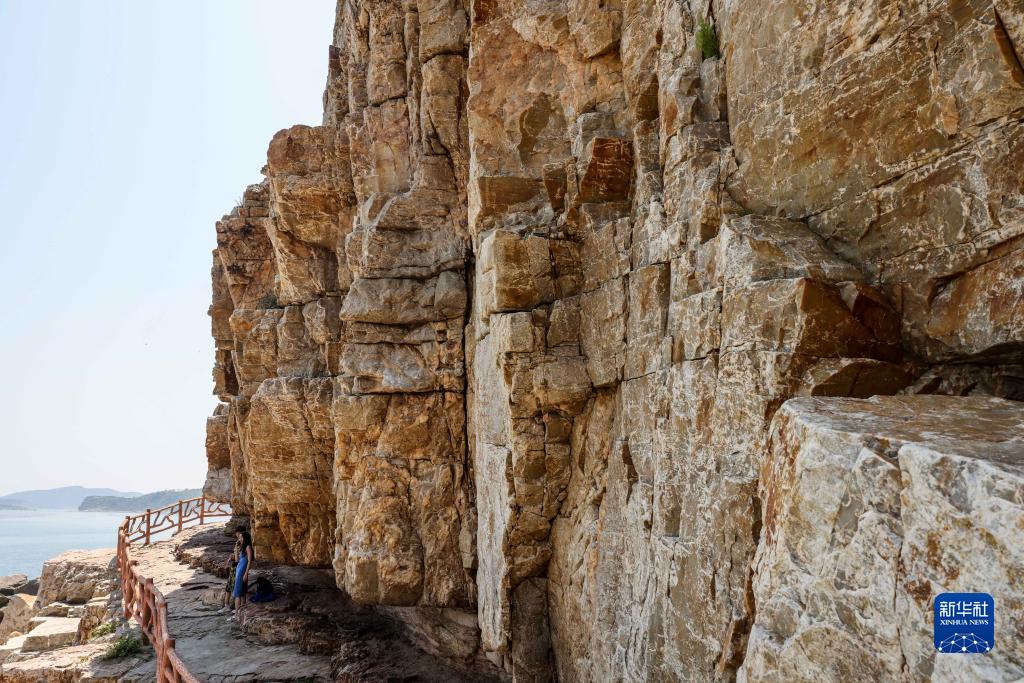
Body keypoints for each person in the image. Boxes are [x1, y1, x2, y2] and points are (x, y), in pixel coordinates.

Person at [227, 528, 254, 621]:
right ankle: (240, 614)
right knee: (241, 591)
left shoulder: (248, 547)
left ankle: (236, 615)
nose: (239, 538)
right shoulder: (243, 547)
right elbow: (237, 560)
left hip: (242, 571)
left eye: (241, 537)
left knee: (238, 592)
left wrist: (246, 573)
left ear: (245, 538)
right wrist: (236, 548)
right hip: (239, 569)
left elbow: (250, 561)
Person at [218, 534, 243, 614]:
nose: (238, 536)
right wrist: (232, 556)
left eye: (239, 535)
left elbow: (238, 559)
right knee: (228, 588)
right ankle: (227, 606)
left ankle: (236, 608)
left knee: (235, 589)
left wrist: (235, 554)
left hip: (237, 569)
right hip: (233, 569)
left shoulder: (242, 547)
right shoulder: (238, 544)